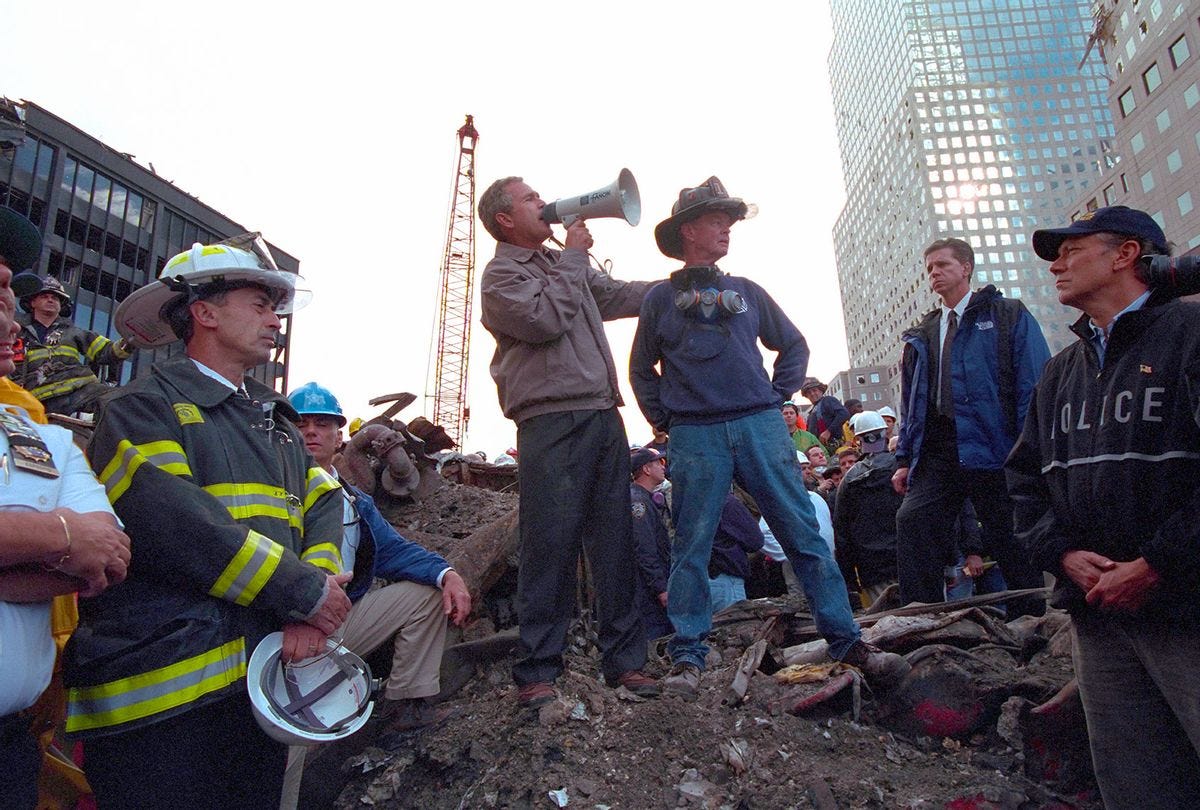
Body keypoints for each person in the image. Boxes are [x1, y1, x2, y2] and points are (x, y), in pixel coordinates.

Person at [62, 236, 350, 808]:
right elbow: (175, 525)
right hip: (161, 702)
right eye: (259, 305)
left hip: (255, 690)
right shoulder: (141, 409)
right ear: (205, 312)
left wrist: (313, 609)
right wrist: (304, 592)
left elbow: (324, 503)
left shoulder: (275, 423)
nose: (274, 320)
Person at [630, 176, 908, 697]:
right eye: (716, 221)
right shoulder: (659, 302)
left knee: (803, 533)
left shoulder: (747, 293)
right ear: (688, 230)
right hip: (696, 434)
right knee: (691, 544)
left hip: (758, 424)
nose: (726, 231)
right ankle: (688, 654)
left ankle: (847, 640)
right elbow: (642, 369)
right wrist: (666, 420)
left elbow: (793, 345)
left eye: (729, 223)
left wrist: (774, 398)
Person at [1007, 206, 1200, 808]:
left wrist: (1157, 563)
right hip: (1099, 621)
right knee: (1135, 781)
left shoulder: (1190, 334)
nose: (1056, 264)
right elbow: (1023, 481)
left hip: (1184, 606)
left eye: (1071, 248)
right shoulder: (1061, 372)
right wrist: (1062, 553)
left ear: (1125, 255)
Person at [477, 176, 657, 708]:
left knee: (615, 540)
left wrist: (677, 288)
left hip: (602, 413)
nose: (544, 202)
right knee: (549, 544)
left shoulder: (560, 264)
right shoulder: (500, 274)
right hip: (550, 423)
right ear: (505, 219)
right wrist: (575, 259)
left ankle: (626, 663)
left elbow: (619, 296)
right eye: (530, 198)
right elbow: (543, 320)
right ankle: (537, 669)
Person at [279, 382, 472, 808]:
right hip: (282, 635)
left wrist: (447, 572)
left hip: (338, 623)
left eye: (322, 424)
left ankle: (407, 704)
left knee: (423, 595)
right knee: (285, 742)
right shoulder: (270, 488)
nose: (311, 432)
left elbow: (393, 549)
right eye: (301, 424)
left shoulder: (350, 498)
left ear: (338, 436)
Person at [0, 207, 131, 809]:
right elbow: (75, 543)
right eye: (1, 295)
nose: (16, 316)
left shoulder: (41, 434)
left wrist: (21, 554)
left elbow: (103, 555)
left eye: (14, 294)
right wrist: (59, 534)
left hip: (12, 743)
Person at [892, 236, 1050, 617]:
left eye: (942, 265)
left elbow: (1034, 383)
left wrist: (1030, 447)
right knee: (913, 521)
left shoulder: (1006, 314)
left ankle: (1033, 619)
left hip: (997, 446)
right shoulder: (923, 333)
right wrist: (903, 457)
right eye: (929, 267)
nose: (934, 273)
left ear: (966, 268)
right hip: (938, 448)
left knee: (1008, 533)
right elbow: (912, 403)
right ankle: (921, 617)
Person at [12, 274, 134, 416]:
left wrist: (131, 339)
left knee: (120, 402)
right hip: (36, 401)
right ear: (32, 303)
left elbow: (108, 352)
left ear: (61, 306)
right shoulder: (15, 333)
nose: (50, 299)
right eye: (44, 296)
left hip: (80, 391)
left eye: (55, 298)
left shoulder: (74, 333)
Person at [834, 411, 901, 609]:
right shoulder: (903, 468)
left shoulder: (849, 481)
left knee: (887, 632)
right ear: (884, 432)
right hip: (914, 560)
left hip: (874, 571)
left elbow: (842, 533)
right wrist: (947, 562)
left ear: (858, 439)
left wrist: (850, 581)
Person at [629, 446, 672, 640]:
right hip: (647, 594)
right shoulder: (638, 503)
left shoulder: (643, 499)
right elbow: (644, 548)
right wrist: (661, 588)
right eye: (659, 463)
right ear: (646, 469)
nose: (664, 467)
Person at [707, 492, 764, 613]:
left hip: (696, 579)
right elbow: (755, 541)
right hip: (726, 579)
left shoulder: (687, 501)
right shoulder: (725, 502)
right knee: (733, 627)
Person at [799, 377, 849, 454]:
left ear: (821, 390)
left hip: (834, 447)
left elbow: (844, 414)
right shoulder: (811, 412)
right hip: (821, 450)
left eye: (814, 390)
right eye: (809, 392)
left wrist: (828, 431)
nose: (812, 394)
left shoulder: (828, 400)